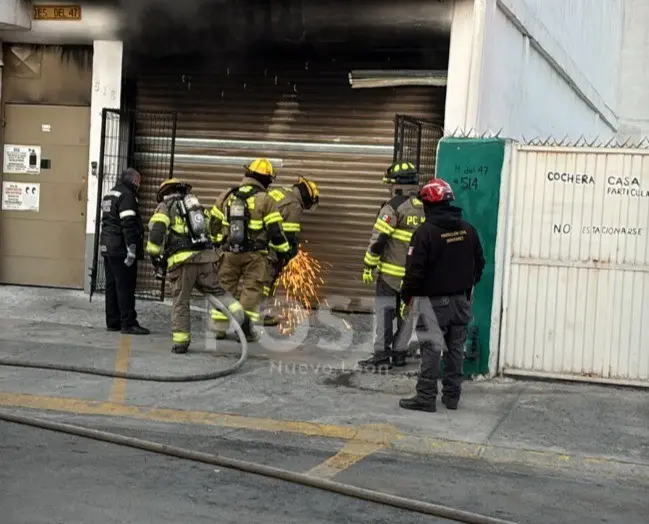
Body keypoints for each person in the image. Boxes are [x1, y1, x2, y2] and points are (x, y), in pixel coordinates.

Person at [398, 178, 485, 413]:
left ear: (429, 205)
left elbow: (414, 273)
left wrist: (407, 298)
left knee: (431, 349)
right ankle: (452, 397)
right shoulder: (468, 230)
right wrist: (464, 289)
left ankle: (426, 397)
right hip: (461, 302)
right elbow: (480, 264)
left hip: (433, 304)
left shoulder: (424, 233)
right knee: (456, 349)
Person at [146, 178, 248, 354]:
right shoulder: (197, 207)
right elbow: (210, 229)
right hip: (207, 259)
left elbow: (157, 232)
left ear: (164, 193)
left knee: (181, 301)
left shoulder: (165, 207)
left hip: (183, 262)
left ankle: (181, 342)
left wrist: (155, 255)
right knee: (218, 293)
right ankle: (243, 320)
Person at [209, 158, 294, 341]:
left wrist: (216, 242)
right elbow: (275, 231)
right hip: (255, 256)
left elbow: (213, 223)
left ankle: (219, 328)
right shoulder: (266, 200)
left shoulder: (227, 195)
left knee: (224, 288)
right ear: (267, 180)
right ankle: (244, 332)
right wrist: (284, 250)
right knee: (251, 291)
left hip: (228, 253)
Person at [358, 161, 425, 371]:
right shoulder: (426, 207)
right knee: (408, 316)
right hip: (415, 277)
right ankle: (399, 354)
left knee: (384, 314)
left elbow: (379, 240)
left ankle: (381, 355)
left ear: (397, 184)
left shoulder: (393, 207)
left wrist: (369, 265)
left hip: (390, 276)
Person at [261, 176, 320, 324]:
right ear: (307, 197)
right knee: (266, 281)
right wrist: (288, 254)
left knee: (257, 280)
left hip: (256, 241)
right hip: (269, 247)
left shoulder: (281, 192)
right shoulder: (294, 205)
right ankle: (262, 315)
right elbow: (289, 235)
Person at [99, 167, 150, 335]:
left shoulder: (110, 194)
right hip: (121, 248)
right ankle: (128, 322)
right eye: (139, 182)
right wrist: (132, 249)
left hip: (108, 246)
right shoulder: (127, 195)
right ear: (134, 181)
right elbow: (128, 223)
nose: (140, 185)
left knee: (112, 285)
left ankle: (113, 321)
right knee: (125, 286)